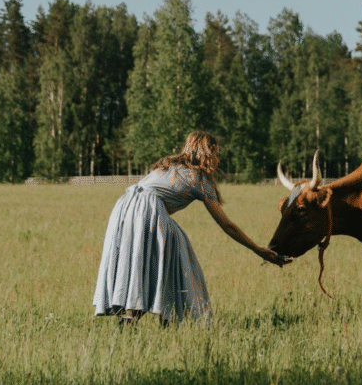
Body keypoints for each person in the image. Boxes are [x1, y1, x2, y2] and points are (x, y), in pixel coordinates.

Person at [93, 130, 289, 325]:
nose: (218, 160)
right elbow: (227, 225)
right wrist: (258, 250)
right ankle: (170, 315)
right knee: (177, 251)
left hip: (124, 206)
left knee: (147, 258)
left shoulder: (167, 166)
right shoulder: (199, 179)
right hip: (147, 209)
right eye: (216, 154)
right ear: (207, 153)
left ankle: (135, 316)